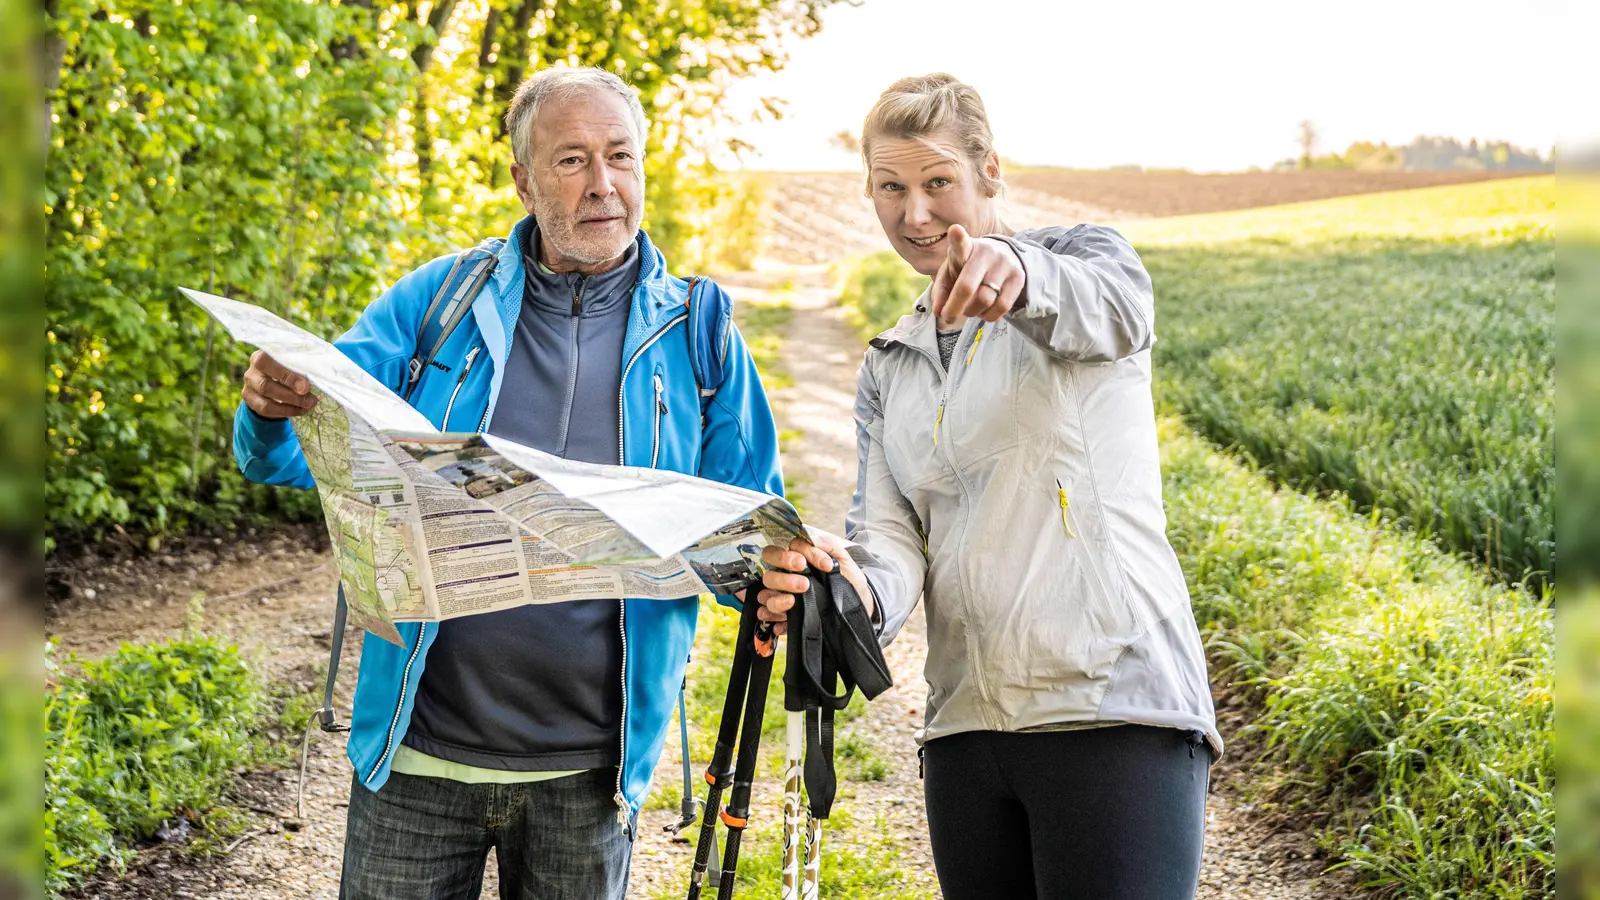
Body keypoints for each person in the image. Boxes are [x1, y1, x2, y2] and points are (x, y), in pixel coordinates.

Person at [233, 66, 783, 900]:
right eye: (571, 161)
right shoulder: (440, 301)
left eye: (619, 157)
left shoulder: (699, 334)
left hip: (591, 774)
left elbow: (751, 534)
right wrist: (271, 407)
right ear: (524, 181)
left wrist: (779, 583)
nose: (603, 185)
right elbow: (286, 453)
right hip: (418, 756)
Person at [755, 73, 1222, 899]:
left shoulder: (1084, 263)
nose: (915, 212)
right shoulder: (888, 363)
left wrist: (1018, 271)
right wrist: (841, 585)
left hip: (1113, 709)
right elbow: (893, 545)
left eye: (939, 183)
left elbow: (1117, 312)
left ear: (990, 173)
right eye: (890, 188)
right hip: (966, 730)